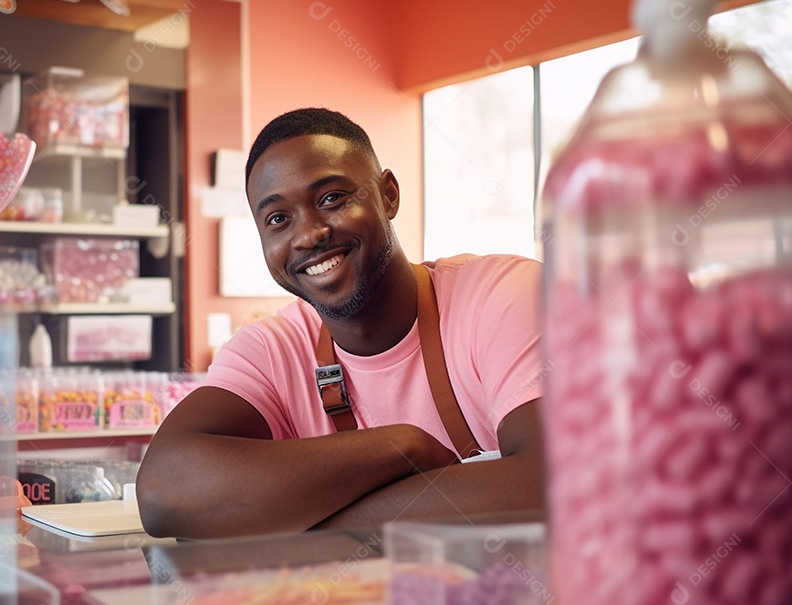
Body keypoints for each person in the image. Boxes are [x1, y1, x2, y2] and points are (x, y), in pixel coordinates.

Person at [136, 108, 545, 539]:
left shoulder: (506, 295)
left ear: (388, 195)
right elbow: (164, 493)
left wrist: (306, 523)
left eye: (331, 198)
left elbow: (550, 486)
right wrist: (402, 446)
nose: (309, 234)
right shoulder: (269, 351)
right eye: (278, 219)